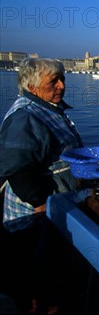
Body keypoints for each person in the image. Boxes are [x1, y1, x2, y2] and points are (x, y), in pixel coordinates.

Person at [0, 58, 85, 314]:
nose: (61, 86)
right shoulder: (25, 117)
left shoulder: (48, 107)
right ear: (32, 86)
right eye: (53, 81)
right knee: (38, 283)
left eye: (63, 79)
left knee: (53, 275)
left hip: (56, 206)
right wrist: (40, 204)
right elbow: (16, 169)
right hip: (34, 216)